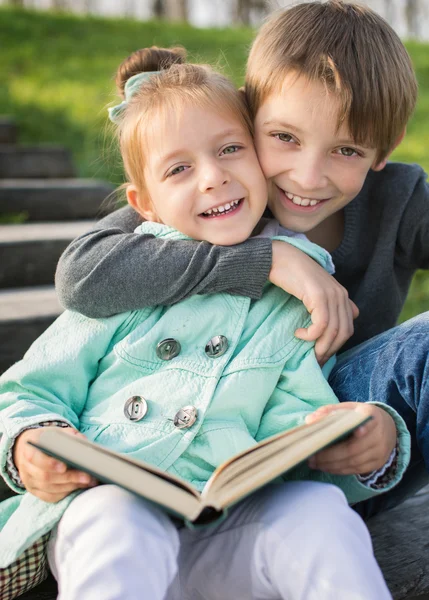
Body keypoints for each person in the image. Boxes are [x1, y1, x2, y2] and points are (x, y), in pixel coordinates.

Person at [0, 48, 408, 600]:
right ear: (144, 204)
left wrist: (366, 442)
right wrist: (29, 446)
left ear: (259, 155)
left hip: (226, 534)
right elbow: (29, 387)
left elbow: (299, 422)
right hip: (112, 512)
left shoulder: (295, 295)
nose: (214, 178)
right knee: (116, 517)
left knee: (314, 509)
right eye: (180, 168)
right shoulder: (131, 278)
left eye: (230, 150)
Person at [55, 0, 429, 518]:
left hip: (347, 432)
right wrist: (267, 259)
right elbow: (83, 271)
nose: (307, 176)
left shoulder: (400, 198)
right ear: (248, 113)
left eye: (347, 151)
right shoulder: (214, 198)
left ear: (383, 151)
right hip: (213, 430)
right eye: (284, 138)